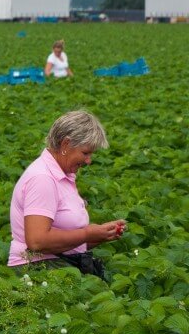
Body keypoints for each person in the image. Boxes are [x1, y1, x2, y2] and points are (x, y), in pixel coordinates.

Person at [8, 110, 125, 278]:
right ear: (65, 145)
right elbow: (37, 241)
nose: (88, 160)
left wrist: (101, 234)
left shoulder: (62, 175)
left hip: (55, 263)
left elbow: (68, 240)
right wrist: (87, 233)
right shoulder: (43, 178)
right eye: (85, 153)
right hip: (37, 268)